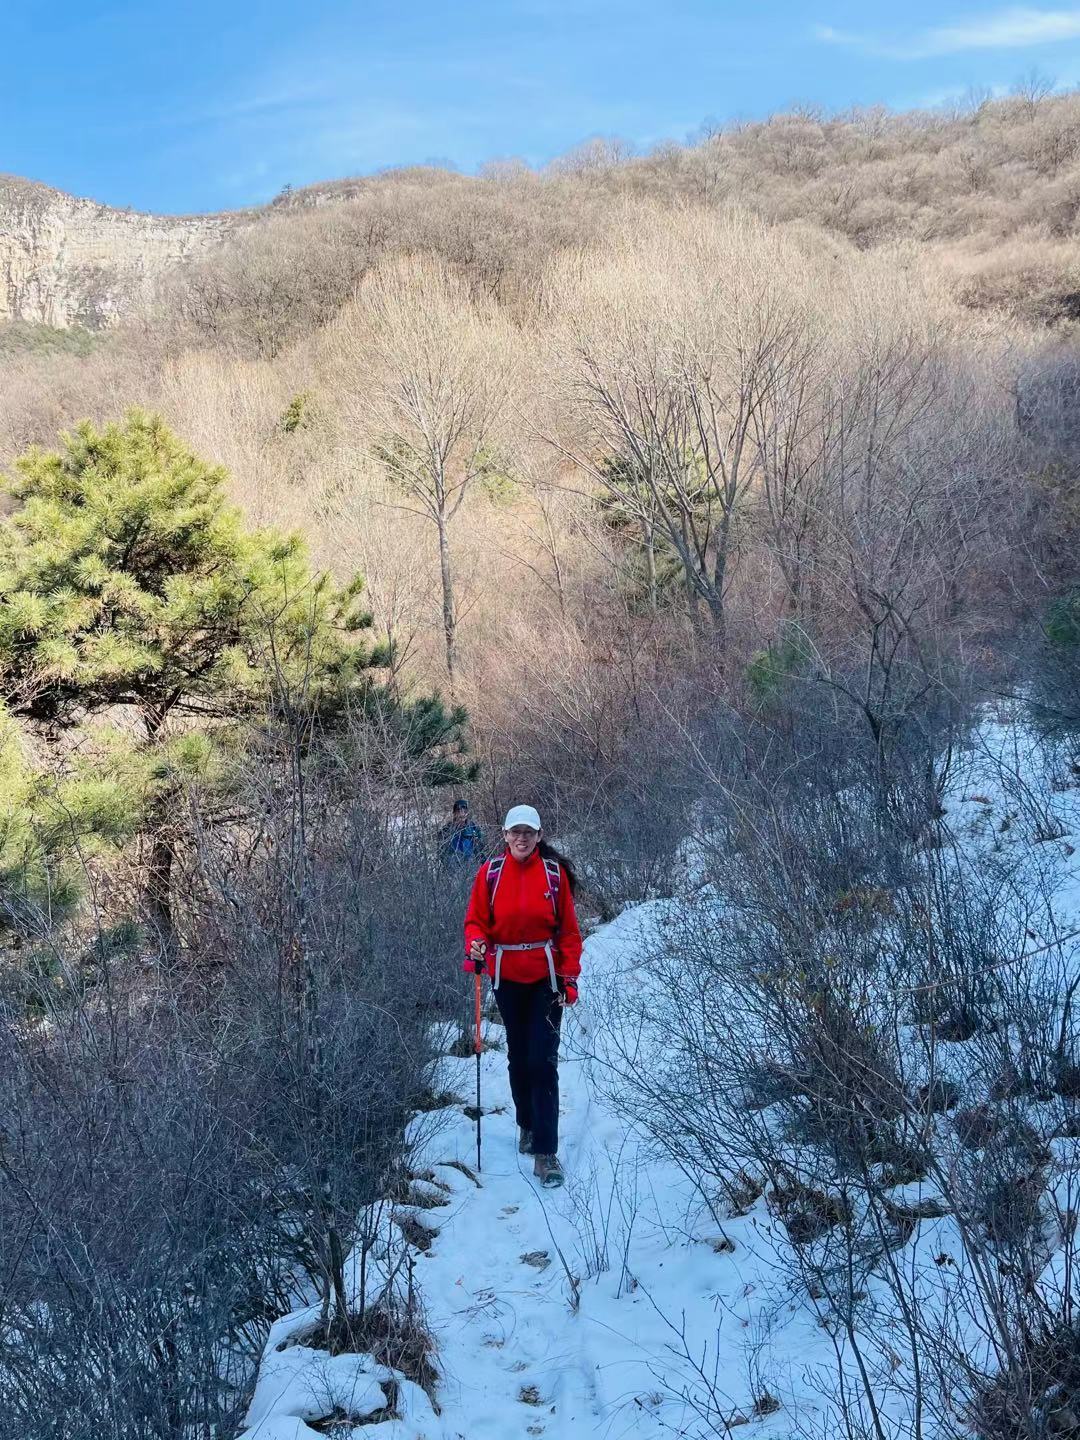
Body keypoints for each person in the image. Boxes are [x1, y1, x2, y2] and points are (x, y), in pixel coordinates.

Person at [463, 804, 582, 1187]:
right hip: (507, 977)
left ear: (539, 835)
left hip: (545, 978)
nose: (522, 838)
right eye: (516, 831)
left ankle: (546, 1153)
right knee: (518, 1058)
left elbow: (568, 932)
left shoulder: (554, 875)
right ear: (505, 835)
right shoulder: (491, 873)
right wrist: (477, 944)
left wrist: (569, 978)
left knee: (543, 1060)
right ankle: (526, 1124)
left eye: (528, 832)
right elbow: (476, 921)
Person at [440, 798, 484, 863]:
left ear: (467, 812)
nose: (462, 813)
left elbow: (480, 848)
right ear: (454, 813)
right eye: (459, 811)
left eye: (464, 811)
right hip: (453, 866)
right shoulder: (447, 829)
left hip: (470, 864)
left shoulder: (473, 827)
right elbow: (442, 852)